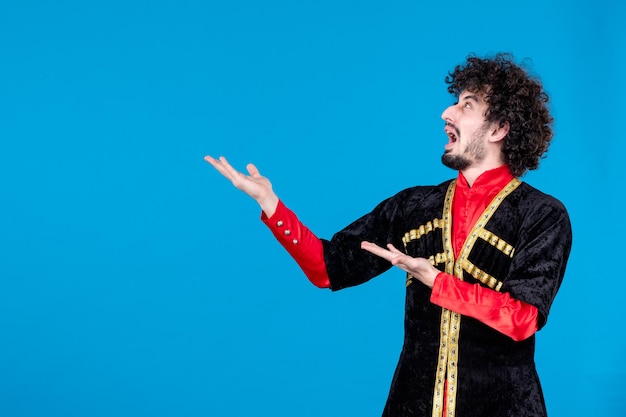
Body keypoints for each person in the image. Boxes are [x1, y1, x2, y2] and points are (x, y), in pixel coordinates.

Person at [205, 53, 572, 417]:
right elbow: (328, 268)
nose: (447, 113)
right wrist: (271, 204)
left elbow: (522, 318)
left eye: (466, 105)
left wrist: (436, 281)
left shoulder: (542, 215)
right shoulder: (413, 207)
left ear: (498, 129)